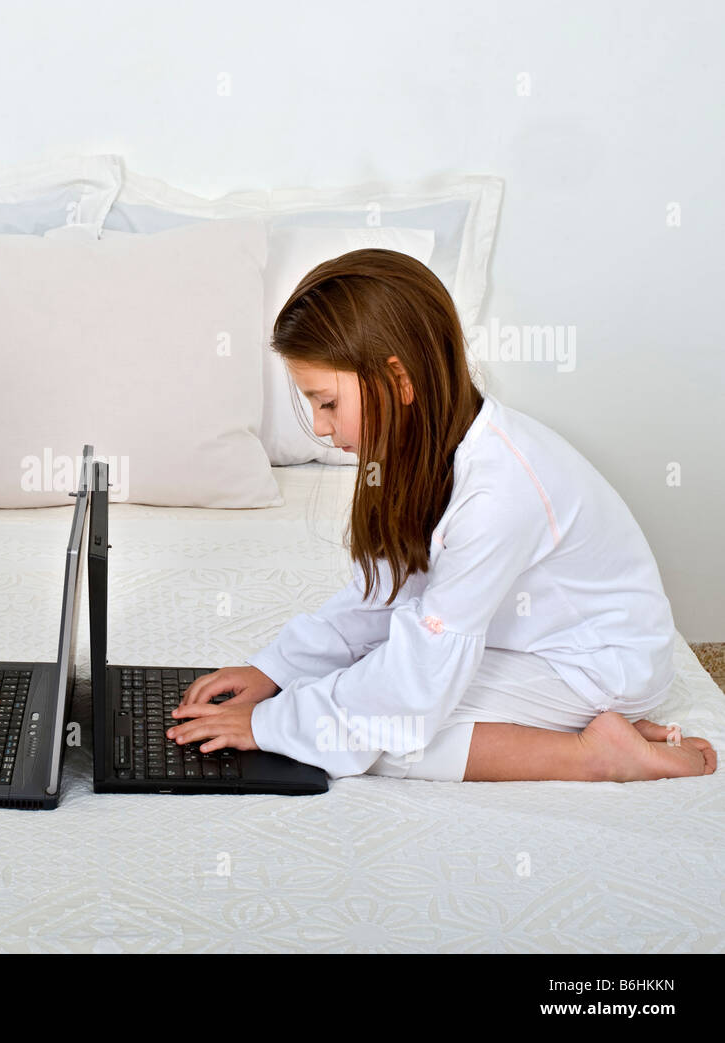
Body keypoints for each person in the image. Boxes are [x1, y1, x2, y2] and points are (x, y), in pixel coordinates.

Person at [171, 248, 715, 783]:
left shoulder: (498, 492)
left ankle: (596, 755)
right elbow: (386, 595)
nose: (319, 426)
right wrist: (278, 671)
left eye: (328, 403)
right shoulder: (425, 454)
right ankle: (581, 732)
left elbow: (412, 690)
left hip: (596, 665)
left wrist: (269, 724)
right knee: (355, 705)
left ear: (399, 380)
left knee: (384, 735)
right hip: (533, 643)